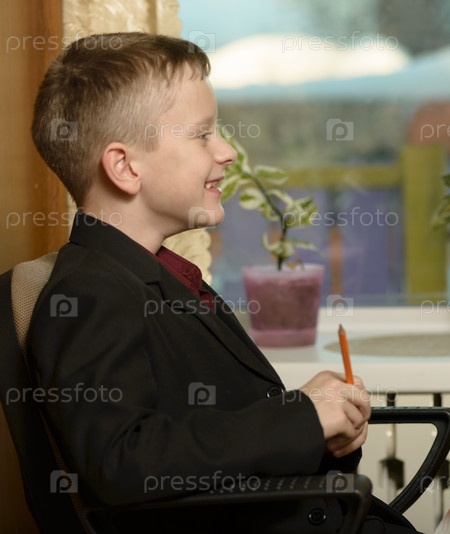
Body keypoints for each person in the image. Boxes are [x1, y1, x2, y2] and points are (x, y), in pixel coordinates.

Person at [29, 32, 419, 533]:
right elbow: (123, 460)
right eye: (202, 135)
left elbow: (218, 444)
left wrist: (322, 432)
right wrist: (301, 417)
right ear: (124, 167)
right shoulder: (89, 292)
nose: (228, 151)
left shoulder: (165, 276)